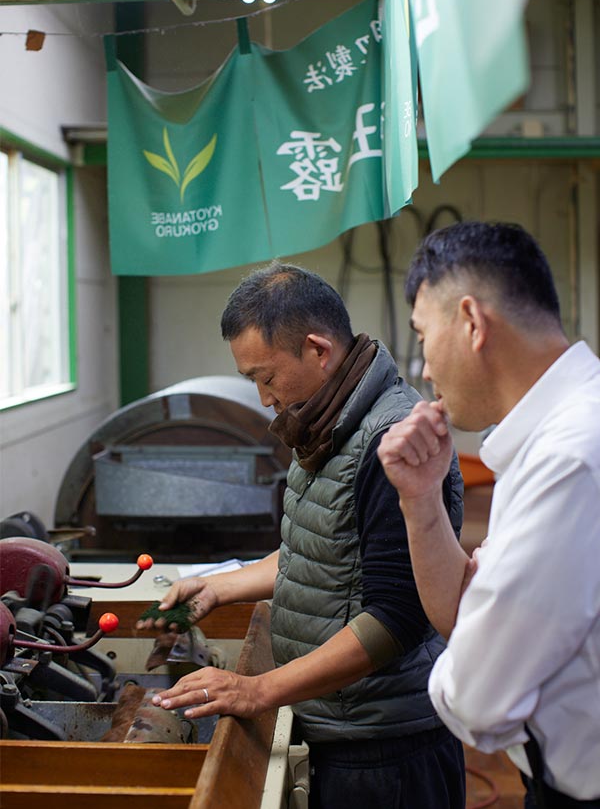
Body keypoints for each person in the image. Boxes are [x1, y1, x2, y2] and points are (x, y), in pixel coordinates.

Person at [140, 261, 466, 809]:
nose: (265, 399)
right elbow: (319, 552)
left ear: (318, 350)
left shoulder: (391, 441)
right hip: (338, 723)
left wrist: (256, 690)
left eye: (265, 377)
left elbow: (396, 618)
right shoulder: (325, 423)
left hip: (385, 752)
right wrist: (220, 588)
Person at [377, 221, 600, 807]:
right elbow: (462, 619)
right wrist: (421, 498)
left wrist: (480, 635)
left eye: (423, 336)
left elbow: (479, 700)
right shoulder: (563, 436)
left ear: (472, 323)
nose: (424, 369)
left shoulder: (569, 461)